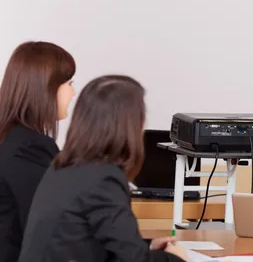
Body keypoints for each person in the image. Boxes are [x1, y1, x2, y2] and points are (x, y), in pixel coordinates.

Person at [18, 75, 188, 262]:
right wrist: (174, 258)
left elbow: (102, 242)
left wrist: (148, 248)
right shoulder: (102, 179)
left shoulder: (66, 166)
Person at [0, 41, 76, 261]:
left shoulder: (12, 139)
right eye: (69, 83)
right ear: (47, 88)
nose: (73, 92)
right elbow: (52, 230)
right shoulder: (30, 148)